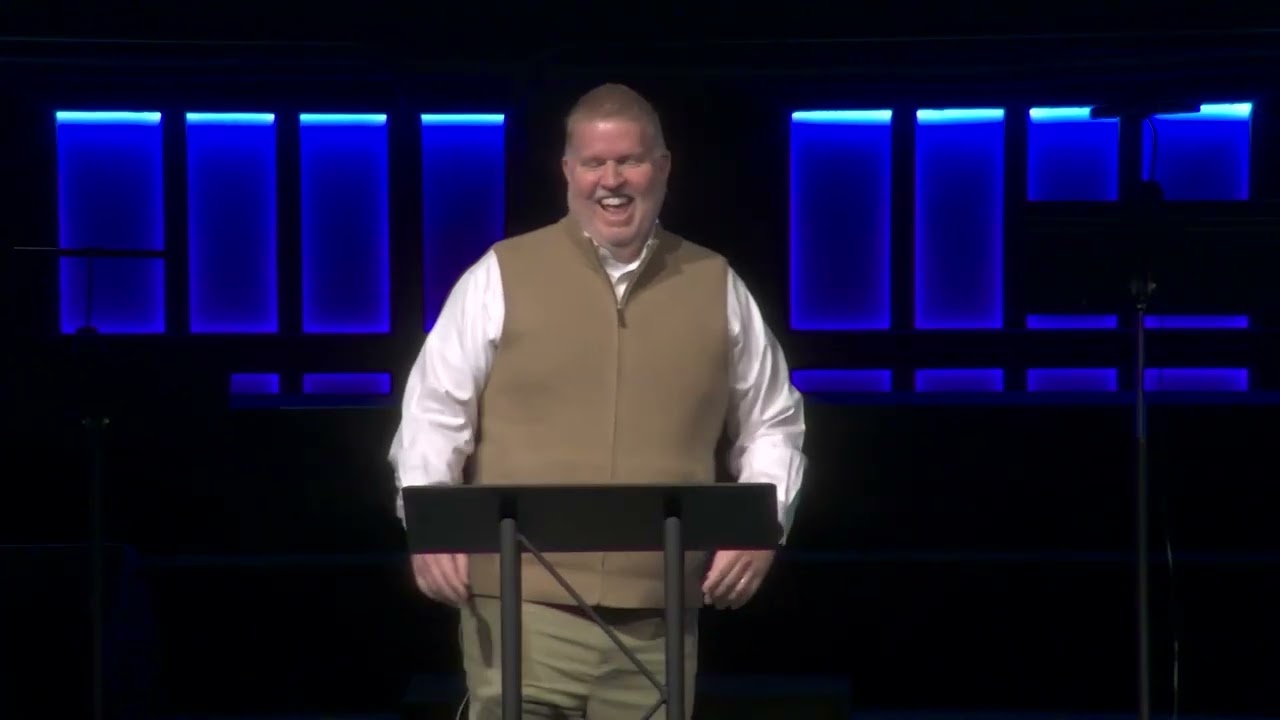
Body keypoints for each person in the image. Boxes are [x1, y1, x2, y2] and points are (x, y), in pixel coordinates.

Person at [388, 82, 807, 720]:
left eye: (629, 160)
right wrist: (430, 524)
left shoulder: (715, 282)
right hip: (519, 614)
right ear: (568, 170)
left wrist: (761, 526)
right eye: (594, 162)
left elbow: (773, 419)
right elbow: (433, 410)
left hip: (659, 622)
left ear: (662, 167)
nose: (611, 180)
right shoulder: (500, 273)